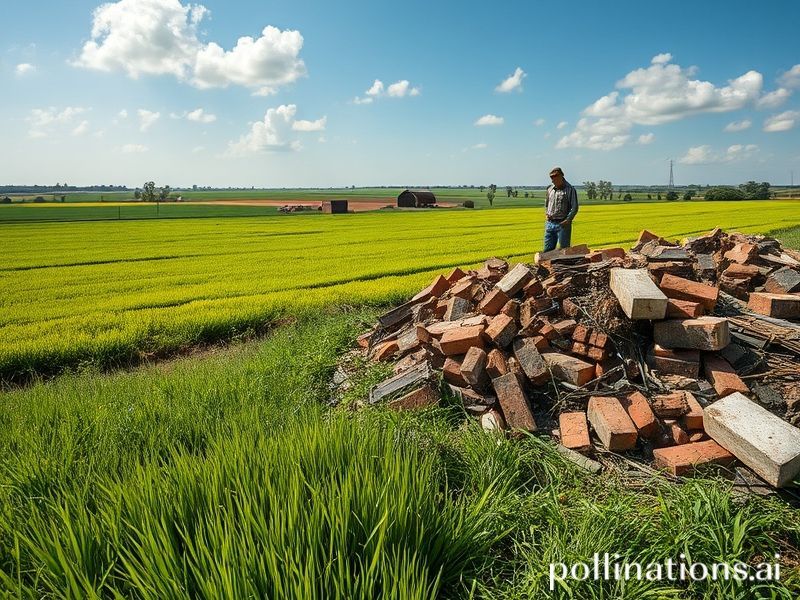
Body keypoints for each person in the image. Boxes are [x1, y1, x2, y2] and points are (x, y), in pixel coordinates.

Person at [543, 166, 579, 252]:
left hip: (563, 224)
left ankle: (564, 266)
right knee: (547, 251)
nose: (552, 181)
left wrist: (568, 220)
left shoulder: (570, 189)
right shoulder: (549, 189)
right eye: (551, 179)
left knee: (564, 251)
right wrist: (546, 213)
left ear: (561, 177)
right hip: (550, 223)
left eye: (554, 179)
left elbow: (575, 207)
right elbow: (547, 203)